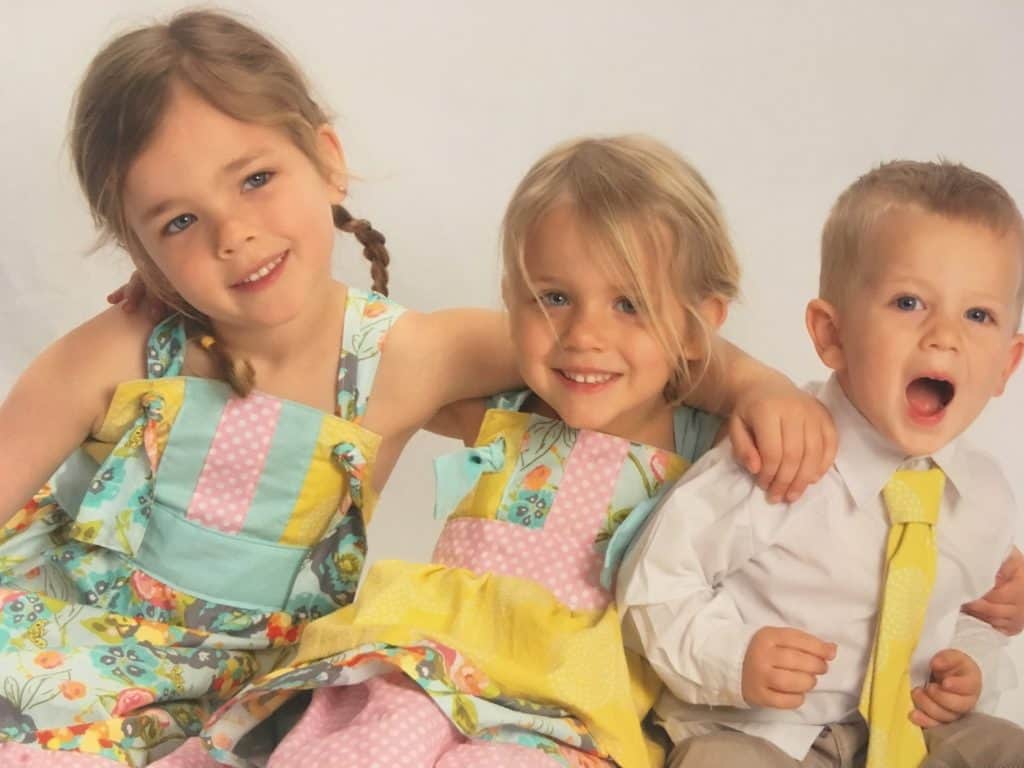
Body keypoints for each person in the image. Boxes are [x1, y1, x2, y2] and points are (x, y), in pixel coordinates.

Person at [0, 11, 841, 767]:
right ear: (140, 251)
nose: (234, 233)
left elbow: (622, 342)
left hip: (272, 688)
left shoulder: (409, 355)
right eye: (178, 223)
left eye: (255, 178)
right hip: (73, 652)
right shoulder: (124, 349)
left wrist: (759, 385)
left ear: (328, 161)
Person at [618, 159, 1024, 768]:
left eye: (978, 315)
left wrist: (968, 671)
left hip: (904, 735)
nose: (945, 337)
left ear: (1007, 364)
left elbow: (956, 615)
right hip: (762, 731)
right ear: (831, 335)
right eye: (909, 302)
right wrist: (736, 660)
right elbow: (653, 586)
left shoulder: (983, 495)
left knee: (1006, 748)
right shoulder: (784, 452)